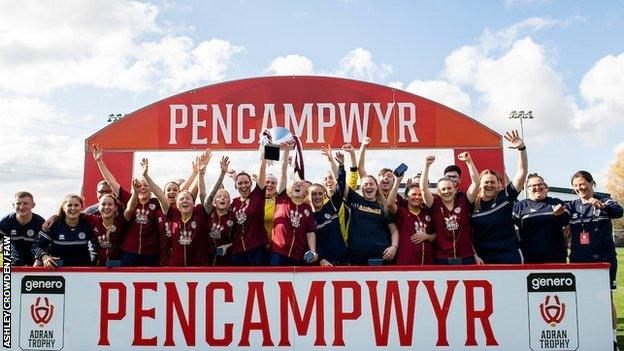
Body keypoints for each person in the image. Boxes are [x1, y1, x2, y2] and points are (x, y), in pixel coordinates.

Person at [567, 170, 623, 348]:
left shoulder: (605, 200)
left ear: (591, 183)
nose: (579, 188)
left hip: (603, 261)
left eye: (582, 184)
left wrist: (602, 206)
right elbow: (558, 219)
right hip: (579, 261)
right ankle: (587, 334)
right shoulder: (572, 206)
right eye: (575, 186)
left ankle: (612, 338)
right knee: (581, 300)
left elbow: (619, 212)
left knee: (606, 299)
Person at [469, 130, 527, 264]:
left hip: (509, 254)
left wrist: (521, 149)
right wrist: (475, 255)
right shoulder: (472, 204)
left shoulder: (505, 196)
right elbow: (468, 235)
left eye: (493, 182)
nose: (489, 185)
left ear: (498, 184)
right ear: (479, 185)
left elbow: (522, 173)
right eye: (486, 182)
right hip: (483, 257)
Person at [420, 153, 481, 265]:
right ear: (438, 192)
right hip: (441, 257)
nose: (446, 191)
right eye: (443, 189)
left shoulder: (464, 201)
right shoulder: (435, 203)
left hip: (466, 257)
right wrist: (427, 165)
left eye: (449, 188)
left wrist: (469, 161)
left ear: (455, 189)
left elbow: (476, 183)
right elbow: (423, 189)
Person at [343, 146, 399, 265]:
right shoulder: (355, 199)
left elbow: (394, 230)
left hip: (381, 254)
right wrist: (358, 149)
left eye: (371, 184)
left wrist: (394, 246)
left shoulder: (384, 205)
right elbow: (346, 181)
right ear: (361, 188)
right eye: (366, 184)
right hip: (357, 255)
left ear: (376, 186)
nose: (369, 186)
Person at [270, 142, 317, 266]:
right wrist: (286, 151)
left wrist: (313, 251)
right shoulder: (282, 199)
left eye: (301, 185)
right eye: (295, 184)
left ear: (306, 192)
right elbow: (283, 172)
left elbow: (310, 232)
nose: (297, 185)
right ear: (290, 189)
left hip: (298, 255)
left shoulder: (307, 208)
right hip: (278, 253)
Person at [513, 173, 569, 263]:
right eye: (533, 185)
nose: (538, 187)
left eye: (540, 184)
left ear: (545, 186)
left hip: (556, 257)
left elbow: (567, 222)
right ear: (527, 188)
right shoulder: (519, 206)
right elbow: (512, 230)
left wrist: (560, 215)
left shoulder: (557, 202)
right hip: (529, 258)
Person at [32, 194, 97, 267]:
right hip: (57, 270)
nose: (73, 208)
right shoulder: (53, 224)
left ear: (81, 207)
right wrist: (44, 257)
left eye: (76, 205)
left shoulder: (87, 223)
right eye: (69, 205)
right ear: (63, 208)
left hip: (82, 270)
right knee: (37, 262)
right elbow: (36, 245)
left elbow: (97, 244)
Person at [229, 147, 269, 265]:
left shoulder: (257, 196)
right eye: (240, 183)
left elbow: (262, 172)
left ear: (251, 183)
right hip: (237, 252)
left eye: (246, 182)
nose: (243, 185)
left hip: (257, 250)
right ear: (235, 186)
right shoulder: (233, 203)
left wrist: (263, 153)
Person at [388, 173, 436, 265]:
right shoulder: (401, 211)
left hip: (428, 263)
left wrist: (427, 236)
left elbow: (436, 235)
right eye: (413, 194)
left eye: (420, 194)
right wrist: (397, 181)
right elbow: (390, 204)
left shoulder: (428, 212)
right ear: (406, 197)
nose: (417, 197)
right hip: (406, 263)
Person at [0, 192, 45, 266]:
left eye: (25, 203)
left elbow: (44, 247)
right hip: (12, 264)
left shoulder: (40, 222)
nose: (21, 206)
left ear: (33, 205)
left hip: (35, 264)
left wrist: (38, 264)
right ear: (13, 205)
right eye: (18, 203)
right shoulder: (6, 221)